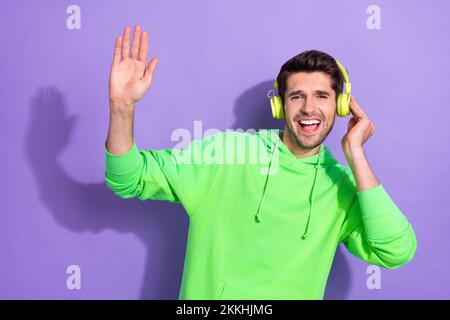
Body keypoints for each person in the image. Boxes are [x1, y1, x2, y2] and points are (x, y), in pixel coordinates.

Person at [105, 25, 417, 300]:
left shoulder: (343, 189)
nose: (309, 108)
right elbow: (128, 178)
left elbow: (397, 251)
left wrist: (356, 154)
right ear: (280, 106)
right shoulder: (225, 154)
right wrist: (121, 108)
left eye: (322, 96)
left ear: (340, 105)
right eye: (297, 96)